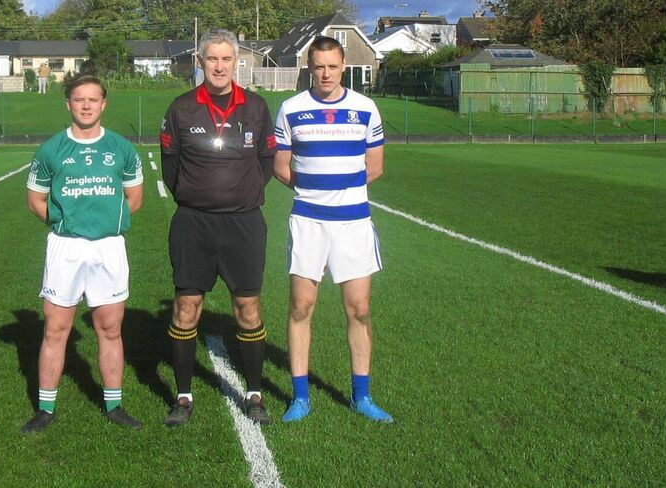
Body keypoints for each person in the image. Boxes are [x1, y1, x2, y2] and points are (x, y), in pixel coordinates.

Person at [159, 28, 276, 426]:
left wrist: (239, 195)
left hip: (243, 224)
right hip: (193, 224)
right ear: (200, 62)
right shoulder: (180, 108)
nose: (220, 66)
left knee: (247, 306)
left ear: (237, 62)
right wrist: (199, 196)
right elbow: (170, 166)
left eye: (227, 59)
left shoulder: (257, 108)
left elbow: (265, 163)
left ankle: (255, 391)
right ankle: (183, 395)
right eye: (212, 59)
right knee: (186, 306)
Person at [274, 36, 391, 423]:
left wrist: (341, 193)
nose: (325, 73)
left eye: (332, 66)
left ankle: (362, 396)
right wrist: (312, 191)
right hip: (308, 222)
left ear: (344, 66)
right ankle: (301, 397)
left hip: (353, 224)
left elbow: (374, 167)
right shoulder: (292, 109)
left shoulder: (365, 108)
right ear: (310, 67)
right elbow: (281, 166)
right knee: (301, 307)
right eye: (318, 66)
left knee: (358, 310)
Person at [22, 74, 144, 434]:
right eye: (79, 100)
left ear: (103, 104)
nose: (87, 106)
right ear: (69, 105)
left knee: (109, 327)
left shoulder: (121, 148)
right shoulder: (50, 150)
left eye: (93, 100)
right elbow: (35, 202)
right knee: (56, 328)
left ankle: (114, 405)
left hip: (109, 247)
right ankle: (46, 409)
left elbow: (134, 200)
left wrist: (103, 222)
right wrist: (67, 224)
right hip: (66, 248)